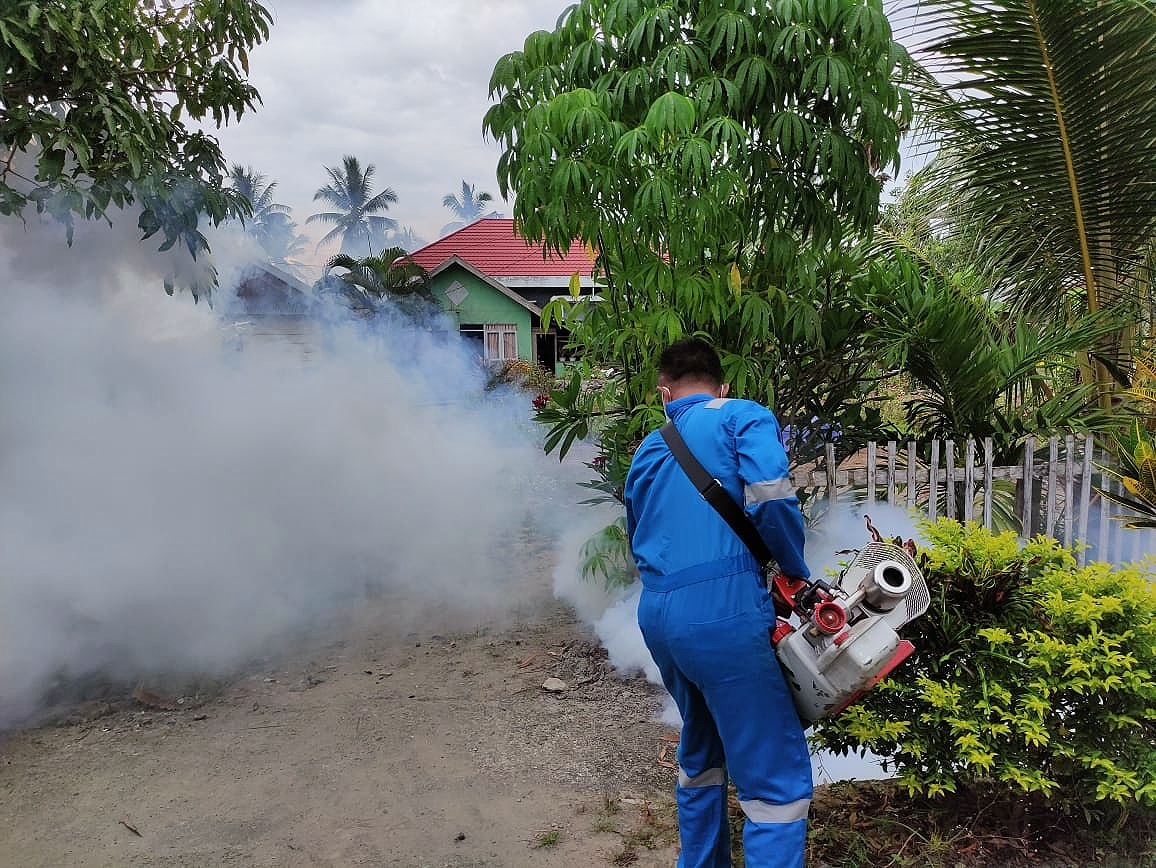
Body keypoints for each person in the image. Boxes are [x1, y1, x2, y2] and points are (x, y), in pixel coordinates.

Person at [624, 337, 812, 868]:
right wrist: (795, 572)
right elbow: (772, 500)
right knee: (773, 779)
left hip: (659, 616)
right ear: (722, 386)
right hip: (724, 612)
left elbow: (637, 537)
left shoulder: (648, 448)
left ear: (664, 393)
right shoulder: (741, 415)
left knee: (702, 752)